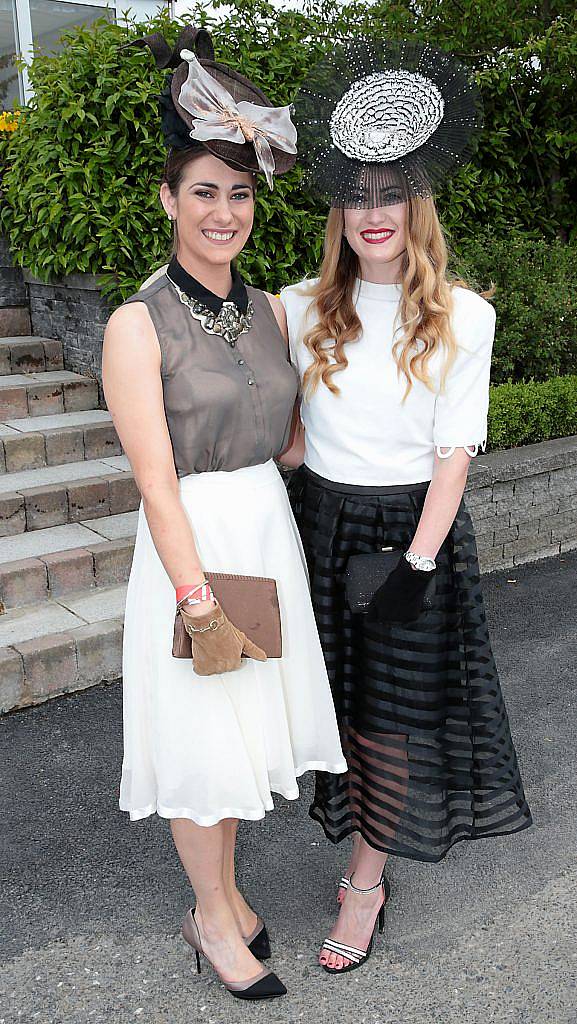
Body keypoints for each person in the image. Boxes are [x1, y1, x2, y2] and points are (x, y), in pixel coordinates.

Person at [102, 27, 346, 1001]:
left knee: (240, 732)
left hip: (262, 530)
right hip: (192, 550)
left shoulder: (269, 311)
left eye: (238, 192)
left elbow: (287, 441)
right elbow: (156, 481)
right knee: (203, 738)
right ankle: (211, 917)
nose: (223, 211)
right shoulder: (135, 323)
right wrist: (195, 594)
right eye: (202, 190)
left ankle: (229, 893)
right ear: (168, 198)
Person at [280, 37, 532, 975]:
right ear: (338, 210)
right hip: (318, 523)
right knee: (333, 709)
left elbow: (451, 454)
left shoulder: (464, 315)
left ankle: (365, 882)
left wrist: (417, 565)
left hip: (408, 536)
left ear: (415, 208)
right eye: (357, 195)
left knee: (387, 717)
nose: (373, 213)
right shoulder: (299, 305)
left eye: (390, 195)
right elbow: (294, 436)